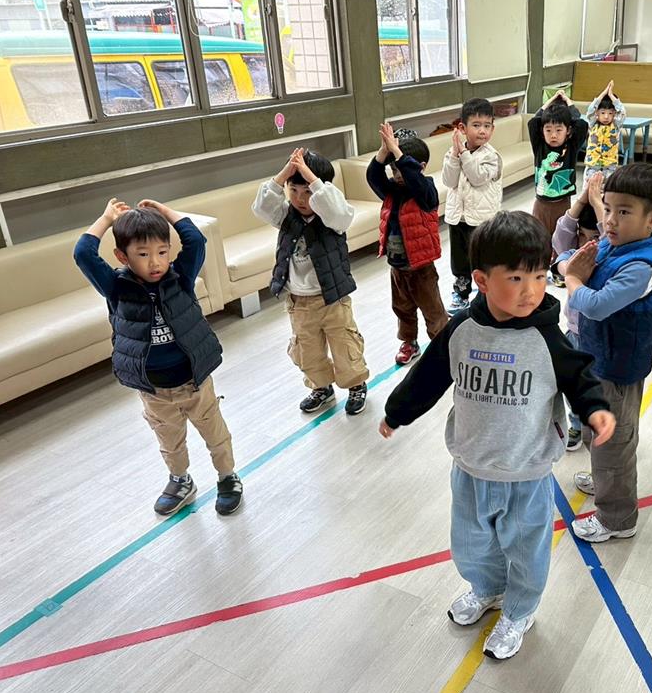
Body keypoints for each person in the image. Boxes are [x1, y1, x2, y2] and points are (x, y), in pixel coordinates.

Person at [379, 211, 615, 660]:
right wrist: (397, 412)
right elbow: (428, 376)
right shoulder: (461, 331)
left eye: (540, 276)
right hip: (470, 466)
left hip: (526, 472)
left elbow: (579, 376)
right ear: (482, 281)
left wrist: (595, 409)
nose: (531, 290)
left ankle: (520, 611)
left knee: (526, 549)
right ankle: (488, 588)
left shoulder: (547, 338)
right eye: (516, 278)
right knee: (471, 543)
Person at [73, 198, 242, 516]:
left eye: (162, 252)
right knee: (169, 440)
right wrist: (107, 218)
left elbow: (195, 240)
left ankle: (227, 476)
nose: (155, 262)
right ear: (122, 256)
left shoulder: (180, 277)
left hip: (194, 381)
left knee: (215, 433)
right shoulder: (116, 288)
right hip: (154, 389)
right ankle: (180, 481)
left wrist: (164, 212)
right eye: (143, 254)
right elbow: (83, 253)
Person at [556, 163, 652, 542]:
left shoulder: (641, 265)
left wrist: (571, 278)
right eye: (607, 208)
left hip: (618, 370)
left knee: (615, 444)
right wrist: (571, 267)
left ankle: (617, 518)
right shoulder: (614, 243)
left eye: (623, 212)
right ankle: (602, 477)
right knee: (597, 432)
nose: (609, 220)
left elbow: (596, 304)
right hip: (596, 358)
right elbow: (570, 255)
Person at [253, 147, 370, 415]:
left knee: (345, 344)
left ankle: (356, 385)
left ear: (320, 190)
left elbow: (339, 212)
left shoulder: (332, 216)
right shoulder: (285, 215)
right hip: (299, 301)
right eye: (293, 190)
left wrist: (312, 179)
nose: (299, 198)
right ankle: (321, 387)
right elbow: (262, 206)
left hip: (333, 299)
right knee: (307, 350)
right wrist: (285, 173)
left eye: (307, 191)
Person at [366, 124, 446, 365]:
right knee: (402, 308)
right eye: (393, 169)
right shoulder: (392, 191)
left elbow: (415, 179)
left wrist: (400, 156)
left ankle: (442, 345)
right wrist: (384, 152)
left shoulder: (426, 190)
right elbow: (373, 177)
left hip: (421, 267)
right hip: (398, 266)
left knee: (432, 309)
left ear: (420, 167)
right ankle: (409, 341)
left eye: (401, 169)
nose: (397, 174)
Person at [552, 171, 605, 451]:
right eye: (582, 236)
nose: (586, 243)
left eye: (594, 236)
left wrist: (598, 205)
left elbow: (610, 240)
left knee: (596, 387)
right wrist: (583, 200)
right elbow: (560, 238)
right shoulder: (573, 256)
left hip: (598, 336)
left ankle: (595, 425)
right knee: (571, 384)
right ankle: (575, 424)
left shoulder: (609, 258)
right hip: (573, 332)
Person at [443, 97, 504, 315]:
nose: (482, 131)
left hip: (481, 219)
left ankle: (485, 294)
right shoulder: (453, 152)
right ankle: (461, 293)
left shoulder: (491, 156)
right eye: (476, 125)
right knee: (459, 260)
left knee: (482, 258)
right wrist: (455, 155)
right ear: (462, 128)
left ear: (492, 129)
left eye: (487, 126)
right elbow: (449, 181)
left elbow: (477, 178)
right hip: (457, 216)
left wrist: (464, 155)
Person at [529, 90, 590, 255]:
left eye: (558, 130)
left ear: (568, 131)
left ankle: (558, 263)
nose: (553, 135)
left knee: (562, 239)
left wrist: (568, 102)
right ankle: (541, 262)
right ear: (542, 131)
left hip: (562, 203)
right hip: (541, 203)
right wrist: (550, 102)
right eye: (548, 130)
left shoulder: (571, 147)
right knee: (539, 238)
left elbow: (582, 124)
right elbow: (533, 122)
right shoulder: (539, 146)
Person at [583, 80, 627, 184]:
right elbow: (590, 110)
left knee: (608, 187)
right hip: (593, 164)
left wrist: (611, 95)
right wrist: (603, 93)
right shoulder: (593, 123)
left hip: (609, 165)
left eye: (610, 113)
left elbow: (622, 113)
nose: (606, 116)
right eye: (603, 113)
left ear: (614, 113)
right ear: (597, 113)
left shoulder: (615, 125)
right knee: (590, 187)